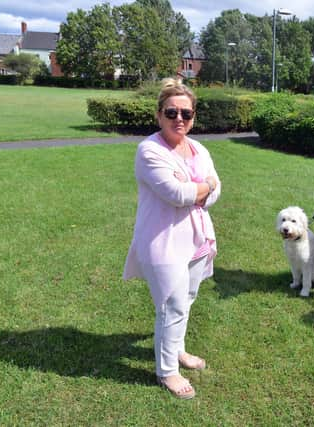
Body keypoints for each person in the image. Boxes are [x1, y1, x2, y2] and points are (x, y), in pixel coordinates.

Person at [123, 78, 220, 399]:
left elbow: (216, 188)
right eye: (172, 112)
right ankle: (167, 371)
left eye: (186, 114)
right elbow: (177, 193)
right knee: (171, 305)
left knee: (187, 300)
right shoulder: (149, 150)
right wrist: (201, 187)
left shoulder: (198, 148)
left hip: (196, 239)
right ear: (159, 114)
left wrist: (200, 188)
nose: (180, 119)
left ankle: (176, 350)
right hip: (163, 242)